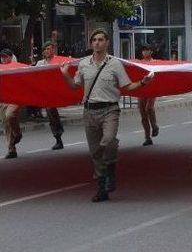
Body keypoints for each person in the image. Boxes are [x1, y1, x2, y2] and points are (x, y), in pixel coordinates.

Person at [60, 29, 155, 203]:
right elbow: (75, 86)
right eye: (94, 40)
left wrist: (143, 82)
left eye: (100, 39)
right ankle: (101, 188)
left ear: (107, 42)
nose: (97, 42)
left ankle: (111, 166)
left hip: (109, 109)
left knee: (109, 141)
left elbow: (127, 87)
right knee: (95, 151)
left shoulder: (115, 64)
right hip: (89, 111)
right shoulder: (83, 64)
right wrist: (65, 74)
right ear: (90, 43)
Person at [35, 41, 65, 150]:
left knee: (52, 112)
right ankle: (58, 136)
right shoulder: (40, 63)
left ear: (53, 50)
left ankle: (58, 134)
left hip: (57, 91)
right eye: (46, 49)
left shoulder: (59, 61)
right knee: (51, 113)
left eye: (50, 49)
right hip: (46, 93)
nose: (48, 51)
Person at [1, 49, 22, 159]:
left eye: (6, 57)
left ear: (11, 57)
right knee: (6, 124)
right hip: (3, 100)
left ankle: (17, 133)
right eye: (2, 57)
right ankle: (11, 149)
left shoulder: (17, 68)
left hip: (15, 99)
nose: (4, 59)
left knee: (10, 116)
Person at [138, 44, 159, 146]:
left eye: (147, 50)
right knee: (143, 114)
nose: (145, 52)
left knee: (149, 108)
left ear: (151, 52)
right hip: (141, 90)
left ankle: (154, 126)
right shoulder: (139, 63)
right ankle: (147, 137)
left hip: (152, 89)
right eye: (143, 50)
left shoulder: (154, 63)